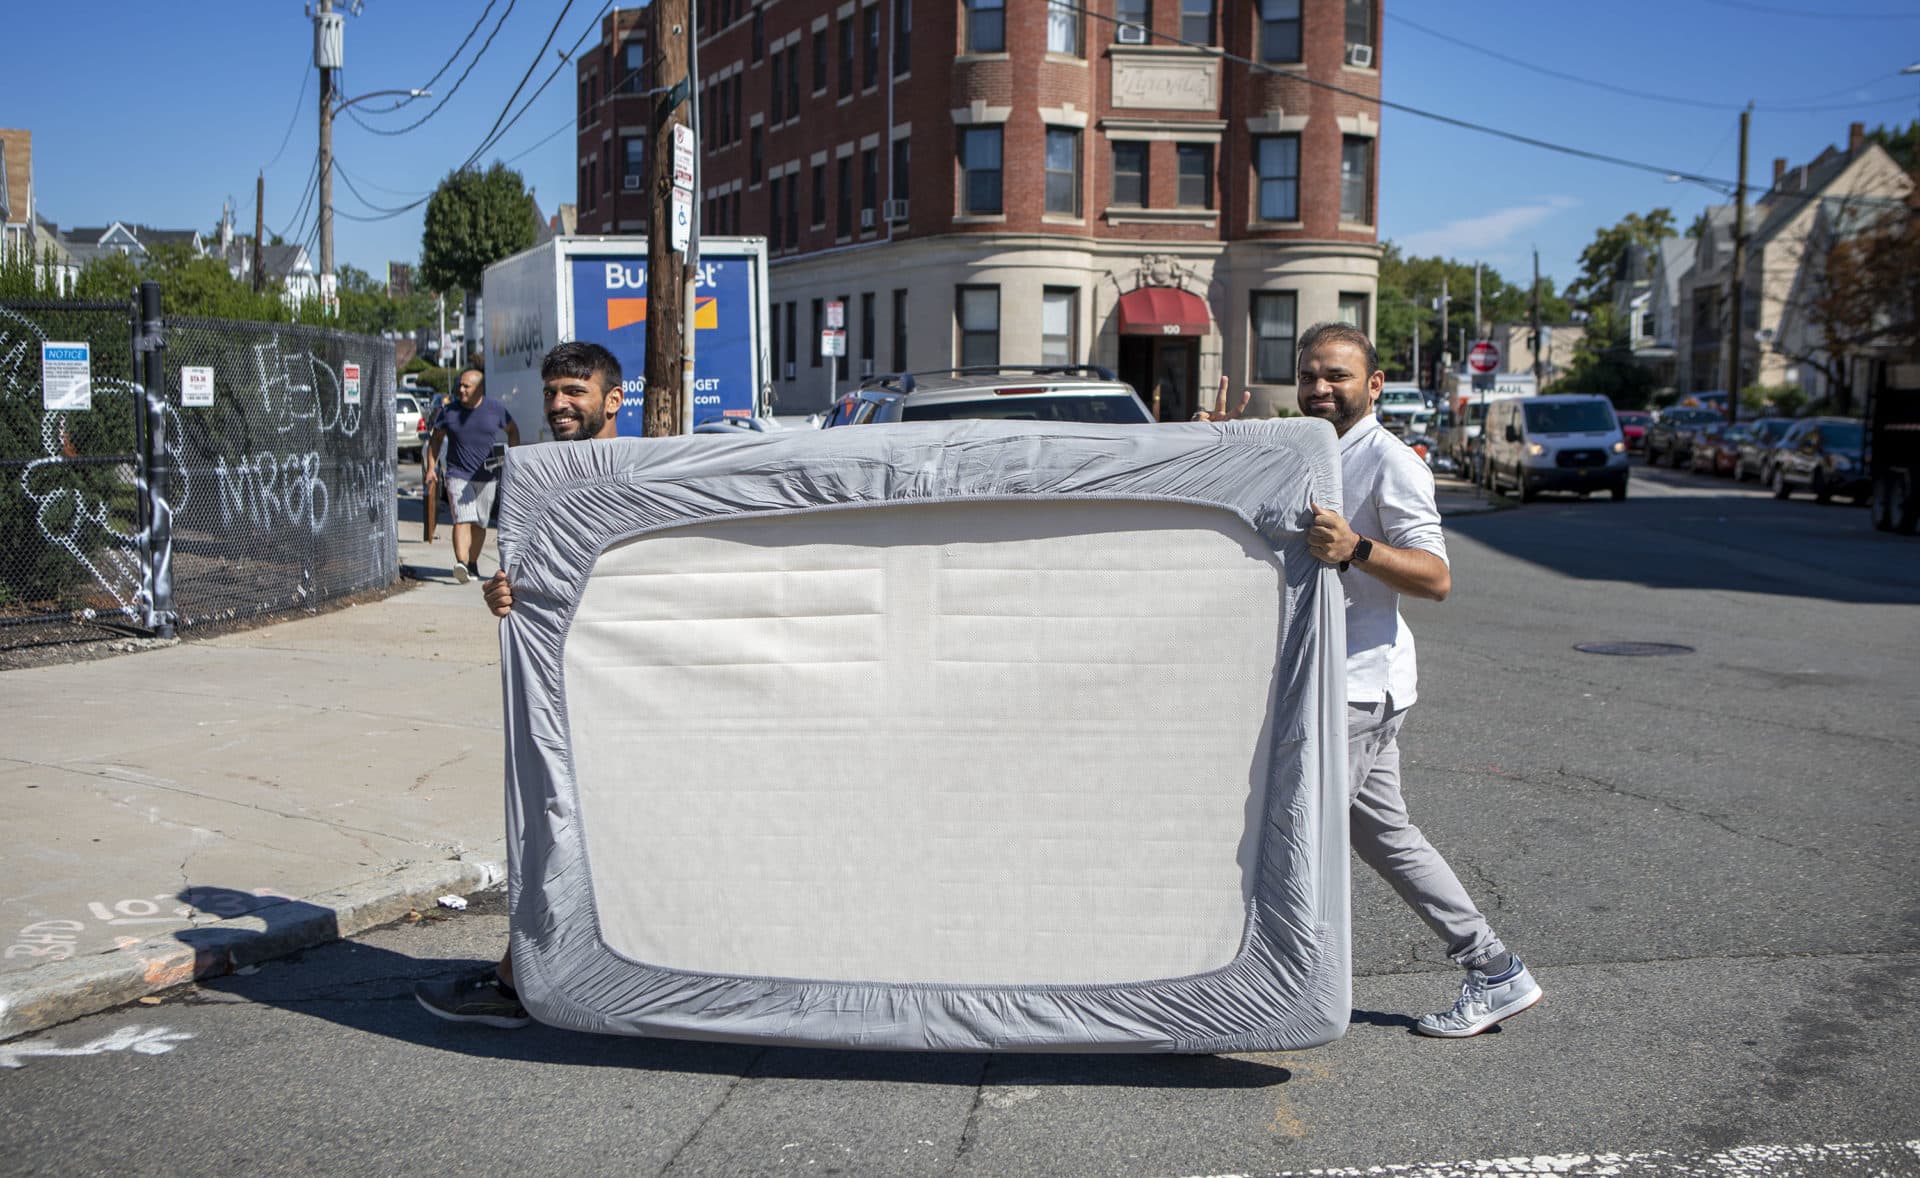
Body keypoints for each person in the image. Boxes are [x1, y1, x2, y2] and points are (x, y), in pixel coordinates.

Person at [1277, 321, 1543, 1037]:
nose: (1319, 388)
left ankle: (1276, 990)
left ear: (1372, 386)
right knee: (1385, 837)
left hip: (1358, 688)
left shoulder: (1392, 461)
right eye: (1309, 375)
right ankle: (1495, 970)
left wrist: (1357, 547)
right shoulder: (1314, 451)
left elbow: (1437, 578)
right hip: (1337, 682)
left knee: (1291, 834)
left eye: (1335, 375)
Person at [414, 341, 626, 1028]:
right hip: (563, 689)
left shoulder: (642, 474)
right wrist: (502, 594)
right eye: (552, 393)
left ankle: (524, 981)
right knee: (553, 830)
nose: (561, 405)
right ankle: (524, 977)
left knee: (584, 835)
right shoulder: (537, 479)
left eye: (576, 392)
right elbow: (526, 580)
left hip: (632, 693)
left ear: (612, 401)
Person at [424, 368, 520, 584]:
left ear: (479, 389)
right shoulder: (448, 411)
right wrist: (432, 466)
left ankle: (472, 562)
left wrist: (514, 457)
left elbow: (513, 430)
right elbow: (436, 440)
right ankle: (462, 563)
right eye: (460, 385)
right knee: (462, 518)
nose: (461, 389)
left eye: (466, 386)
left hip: (487, 476)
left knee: (480, 524)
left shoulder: (495, 409)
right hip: (457, 474)